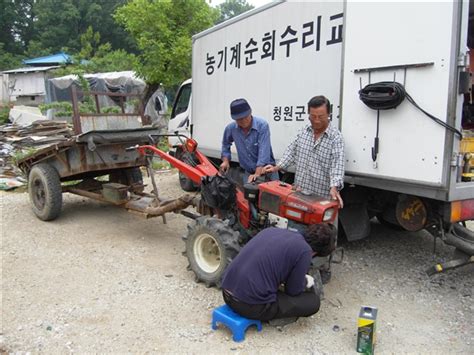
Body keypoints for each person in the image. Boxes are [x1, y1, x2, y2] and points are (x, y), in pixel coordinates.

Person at [221, 224, 337, 324]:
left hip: (226, 292)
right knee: (313, 302)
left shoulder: (272, 230)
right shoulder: (305, 251)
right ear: (315, 252)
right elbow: (293, 291)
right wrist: (305, 281)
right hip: (247, 305)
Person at [263, 95, 345, 207]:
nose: (316, 121)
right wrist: (276, 167)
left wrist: (334, 187)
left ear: (328, 115)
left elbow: (337, 166)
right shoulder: (304, 131)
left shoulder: (336, 138)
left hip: (321, 199)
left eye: (320, 117)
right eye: (313, 116)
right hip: (299, 193)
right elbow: (291, 151)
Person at [220, 98, 278, 183]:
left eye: (245, 117)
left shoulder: (262, 125)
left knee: (272, 196)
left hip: (267, 171)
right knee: (248, 195)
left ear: (250, 112)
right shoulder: (231, 128)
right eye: (239, 119)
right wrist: (225, 161)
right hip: (248, 172)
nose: (243, 121)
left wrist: (257, 174)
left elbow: (264, 151)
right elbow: (225, 144)